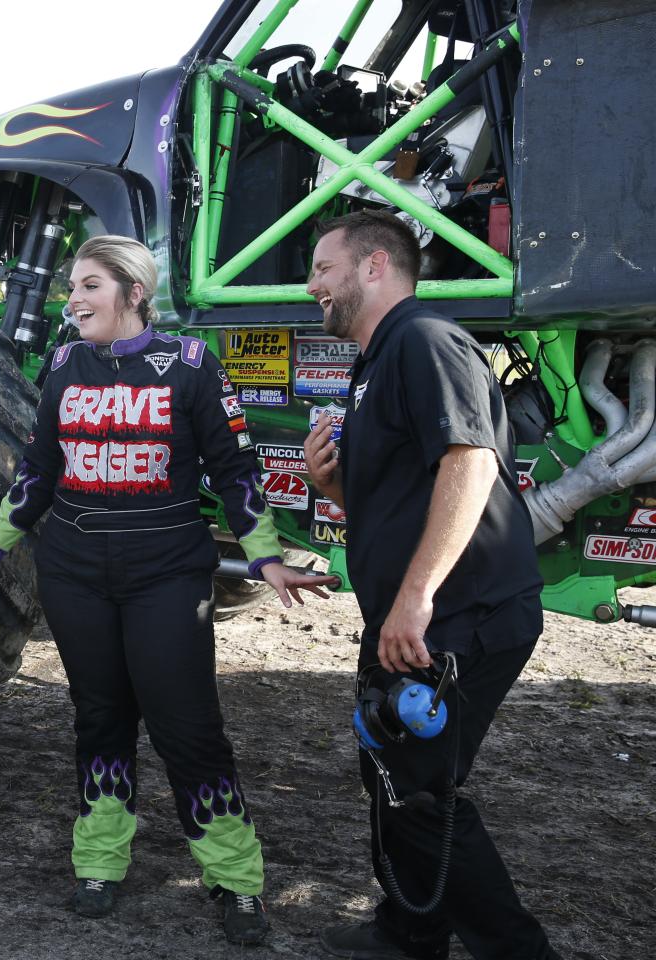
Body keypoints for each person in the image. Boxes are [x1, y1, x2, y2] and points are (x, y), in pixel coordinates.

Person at [0, 235, 335, 947]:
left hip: (167, 574)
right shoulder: (61, 365)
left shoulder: (189, 366)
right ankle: (98, 862)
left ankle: (236, 880)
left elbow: (236, 471)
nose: (74, 300)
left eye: (90, 286)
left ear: (134, 293)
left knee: (187, 726)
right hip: (75, 572)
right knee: (100, 716)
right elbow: (38, 470)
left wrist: (267, 558)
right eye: (72, 287)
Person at [301, 210, 561, 960]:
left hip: (460, 618)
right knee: (386, 771)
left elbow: (471, 463)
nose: (311, 284)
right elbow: (399, 506)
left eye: (324, 268)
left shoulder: (423, 339)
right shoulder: (376, 360)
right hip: (413, 620)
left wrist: (415, 601)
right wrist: (336, 484)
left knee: (418, 792)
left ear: (375, 266)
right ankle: (411, 932)